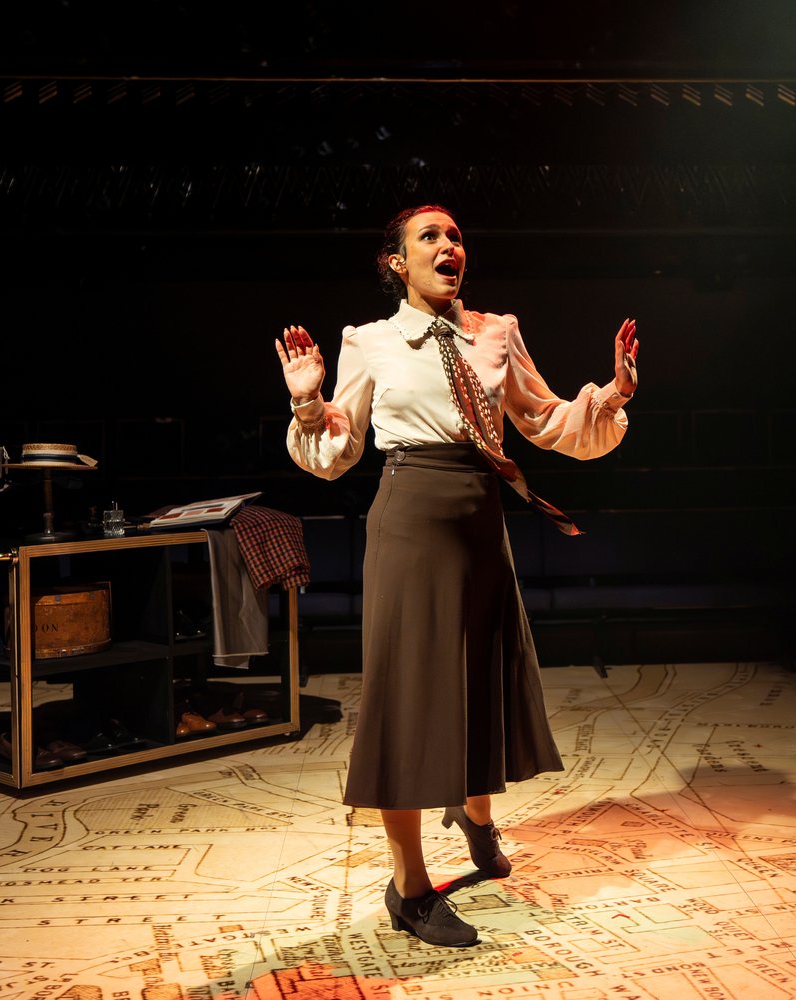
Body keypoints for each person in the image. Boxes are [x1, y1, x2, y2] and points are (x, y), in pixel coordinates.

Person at [274, 204, 639, 947]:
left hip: (481, 522)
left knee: (483, 677)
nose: (449, 246)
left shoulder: (496, 333)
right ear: (397, 264)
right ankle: (408, 884)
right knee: (407, 700)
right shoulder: (371, 342)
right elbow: (334, 452)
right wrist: (309, 400)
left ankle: (474, 812)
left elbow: (548, 422)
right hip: (410, 520)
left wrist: (615, 395)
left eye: (456, 236)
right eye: (429, 238)